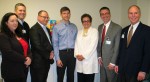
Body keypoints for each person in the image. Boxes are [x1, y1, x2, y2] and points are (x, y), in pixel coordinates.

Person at [115, 5, 150, 82]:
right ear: (128, 15)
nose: (133, 15)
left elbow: (148, 52)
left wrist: (143, 70)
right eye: (131, 13)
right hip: (122, 70)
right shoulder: (124, 30)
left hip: (136, 71)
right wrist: (117, 63)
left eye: (135, 13)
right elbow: (121, 49)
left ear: (139, 14)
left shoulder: (147, 30)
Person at [0, 12, 31, 82]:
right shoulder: (3, 36)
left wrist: (30, 58)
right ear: (6, 23)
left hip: (23, 70)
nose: (15, 23)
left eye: (16, 20)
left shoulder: (19, 34)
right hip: (11, 71)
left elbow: (27, 48)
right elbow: (9, 52)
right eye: (12, 21)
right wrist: (25, 59)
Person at [52, 6, 78, 82]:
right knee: (60, 76)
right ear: (61, 14)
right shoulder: (56, 27)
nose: (66, 15)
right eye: (64, 13)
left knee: (71, 76)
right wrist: (57, 59)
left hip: (72, 54)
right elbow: (55, 43)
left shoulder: (74, 27)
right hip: (61, 54)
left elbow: (77, 42)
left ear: (70, 14)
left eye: (68, 13)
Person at [97, 7, 122, 82]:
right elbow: (99, 43)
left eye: (106, 13)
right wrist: (99, 56)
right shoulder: (100, 27)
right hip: (102, 61)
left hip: (110, 62)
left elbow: (117, 47)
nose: (104, 15)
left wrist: (113, 62)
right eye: (102, 14)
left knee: (112, 80)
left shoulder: (117, 28)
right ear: (100, 16)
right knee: (103, 80)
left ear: (110, 14)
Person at [29, 10, 54, 82]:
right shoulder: (34, 29)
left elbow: (48, 43)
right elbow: (37, 46)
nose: (46, 19)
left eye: (47, 17)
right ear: (38, 17)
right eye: (44, 17)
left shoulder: (47, 29)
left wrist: (52, 51)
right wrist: (48, 55)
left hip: (46, 62)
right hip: (38, 63)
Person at [74, 13, 99, 82]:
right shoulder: (79, 32)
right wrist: (77, 55)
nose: (86, 22)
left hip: (89, 61)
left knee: (89, 79)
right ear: (82, 22)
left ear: (90, 22)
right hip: (79, 61)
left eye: (88, 21)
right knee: (80, 80)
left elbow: (93, 45)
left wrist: (84, 56)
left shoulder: (94, 31)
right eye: (84, 21)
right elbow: (76, 44)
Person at [14, 3, 31, 81]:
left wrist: (28, 57)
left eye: (24, 11)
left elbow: (27, 43)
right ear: (15, 11)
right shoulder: (13, 25)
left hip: (26, 61)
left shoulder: (26, 25)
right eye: (20, 10)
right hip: (16, 61)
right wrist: (23, 59)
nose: (22, 12)